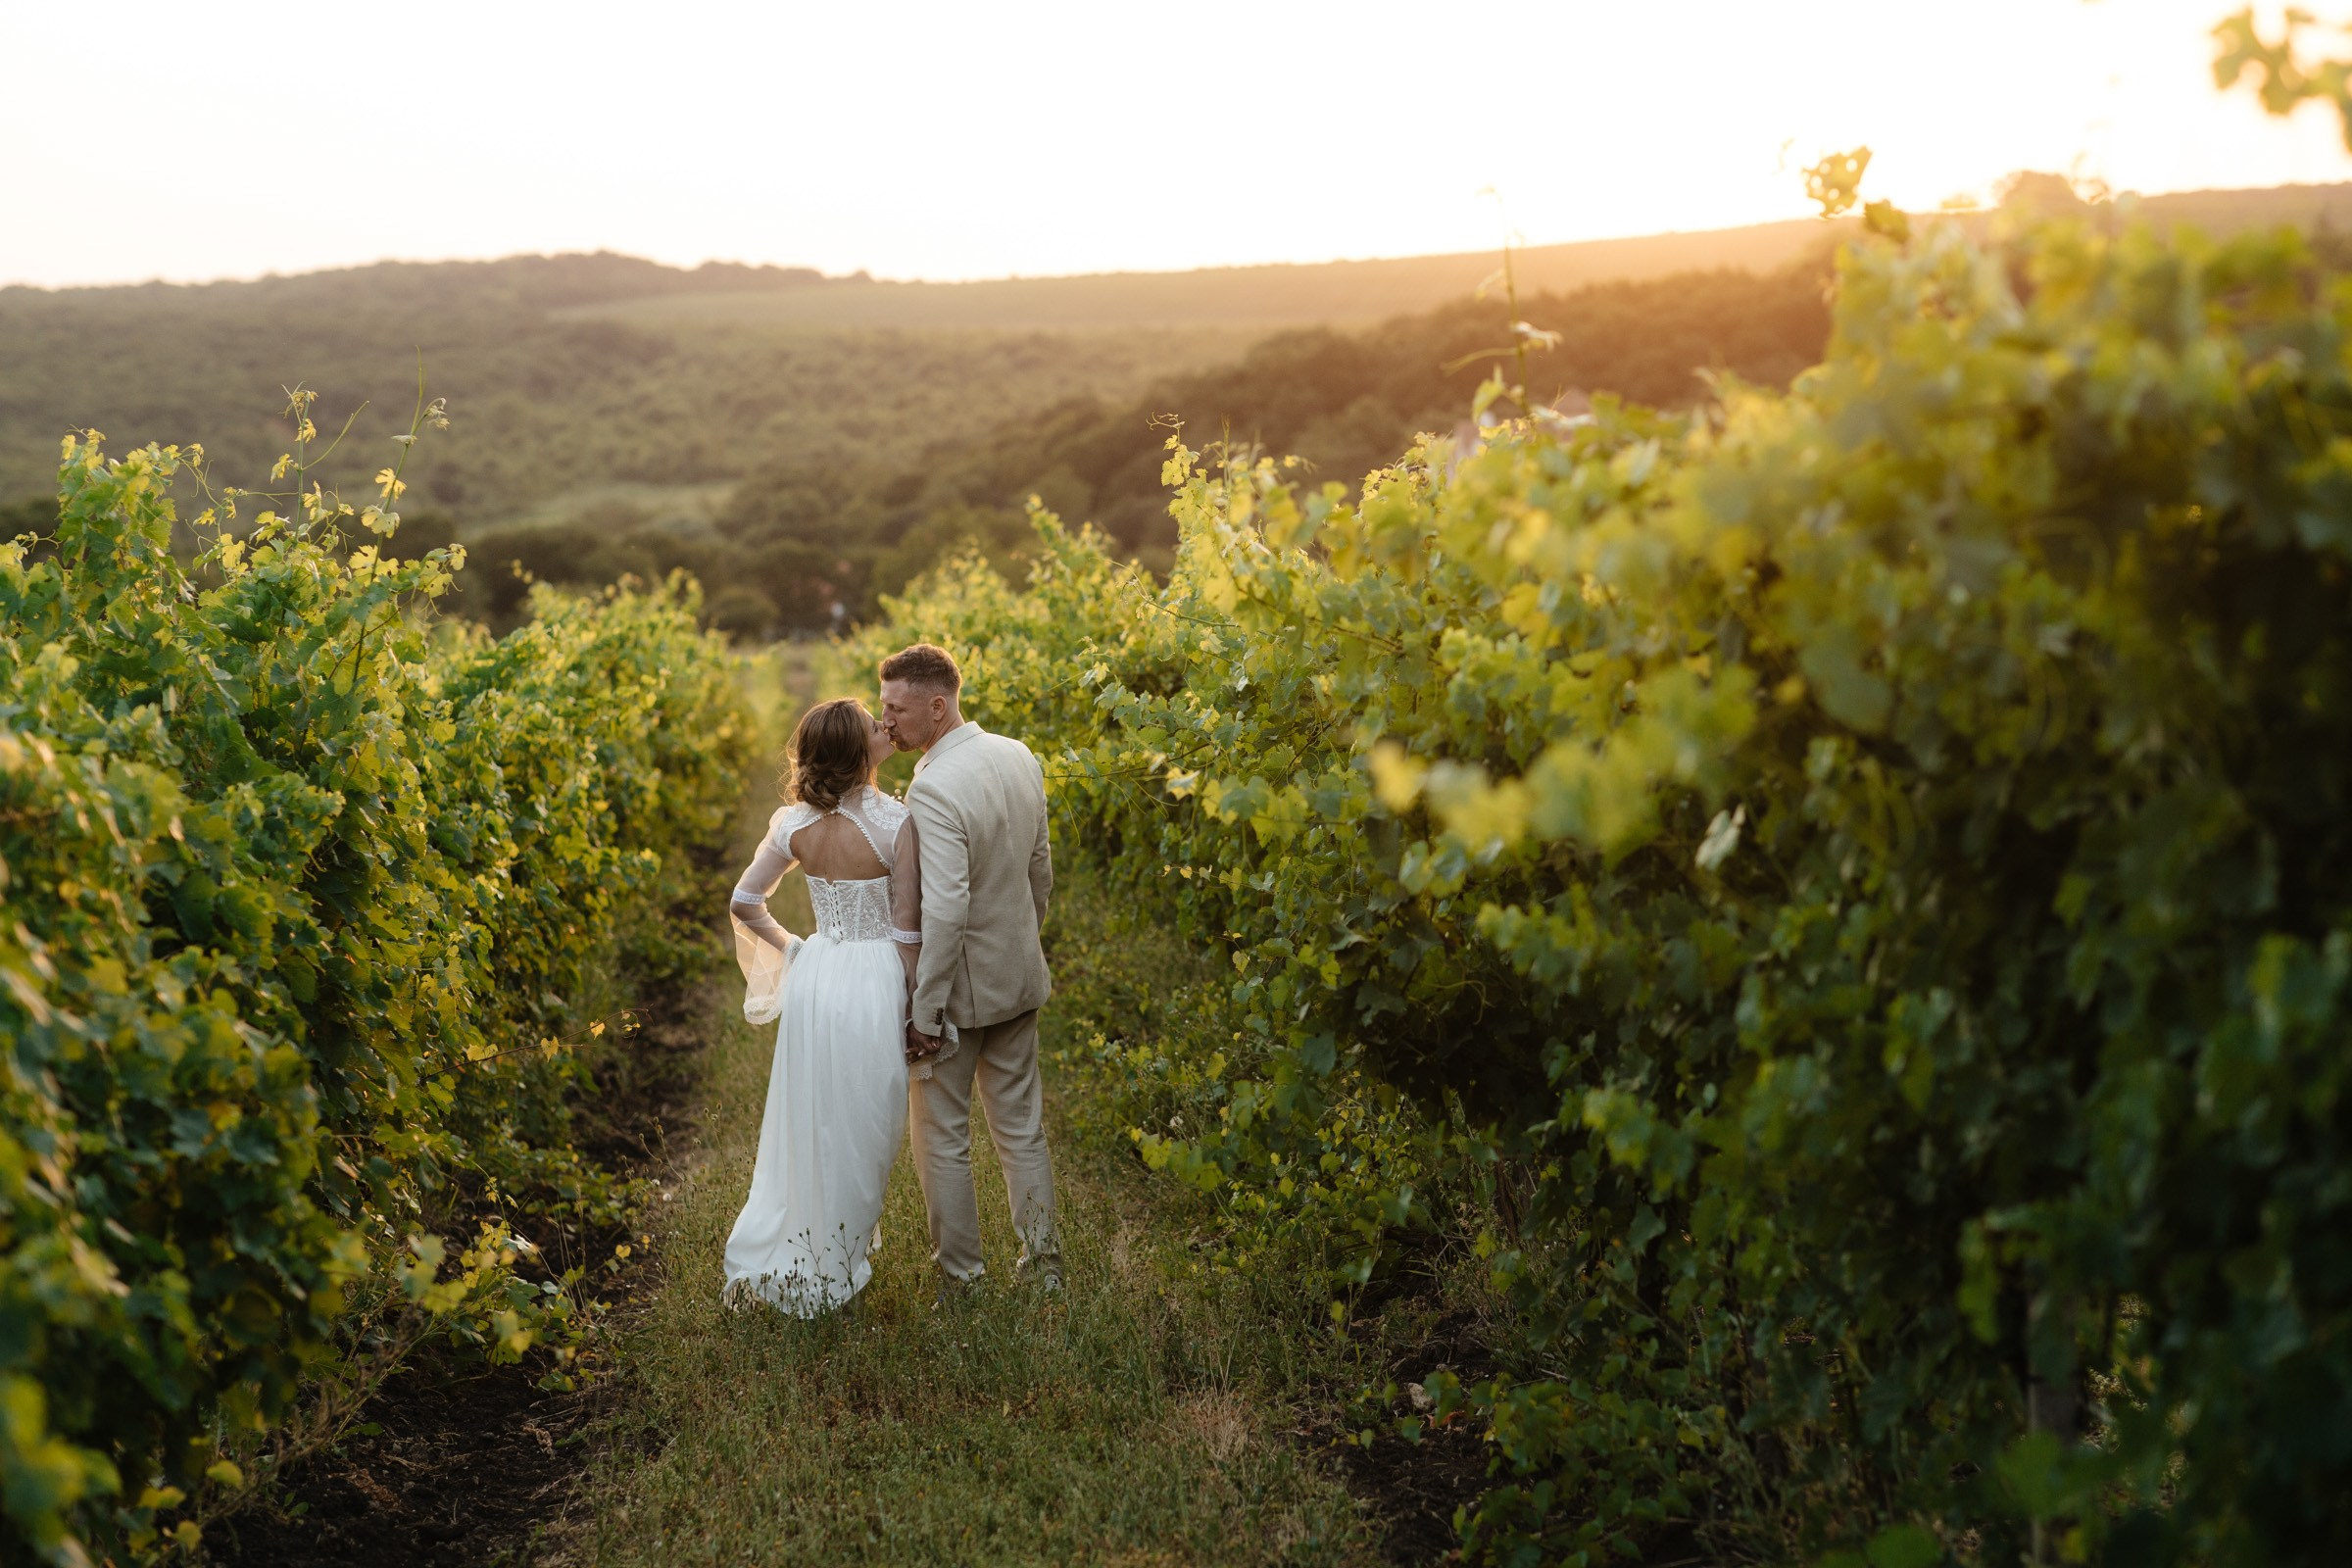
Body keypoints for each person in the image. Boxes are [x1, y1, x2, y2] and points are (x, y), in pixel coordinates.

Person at [721, 698, 926, 1313]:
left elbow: (744, 901)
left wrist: (795, 949)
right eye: (872, 725)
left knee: (814, 1117)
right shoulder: (898, 823)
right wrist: (917, 1008)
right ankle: (838, 1261)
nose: (884, 727)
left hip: (818, 975)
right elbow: (908, 930)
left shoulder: (794, 823)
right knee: (867, 1124)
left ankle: (815, 1247)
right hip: (874, 977)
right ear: (858, 752)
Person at [879, 643, 1062, 1290]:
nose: (886, 721)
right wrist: (1021, 943)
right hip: (1019, 976)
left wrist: (924, 1011)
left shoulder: (932, 787)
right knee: (1022, 1130)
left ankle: (961, 1282)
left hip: (957, 995)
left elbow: (946, 906)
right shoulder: (1019, 755)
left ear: (938, 706)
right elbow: (1041, 869)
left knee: (942, 1139)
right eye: (883, 707)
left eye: (897, 709)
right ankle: (1045, 1271)